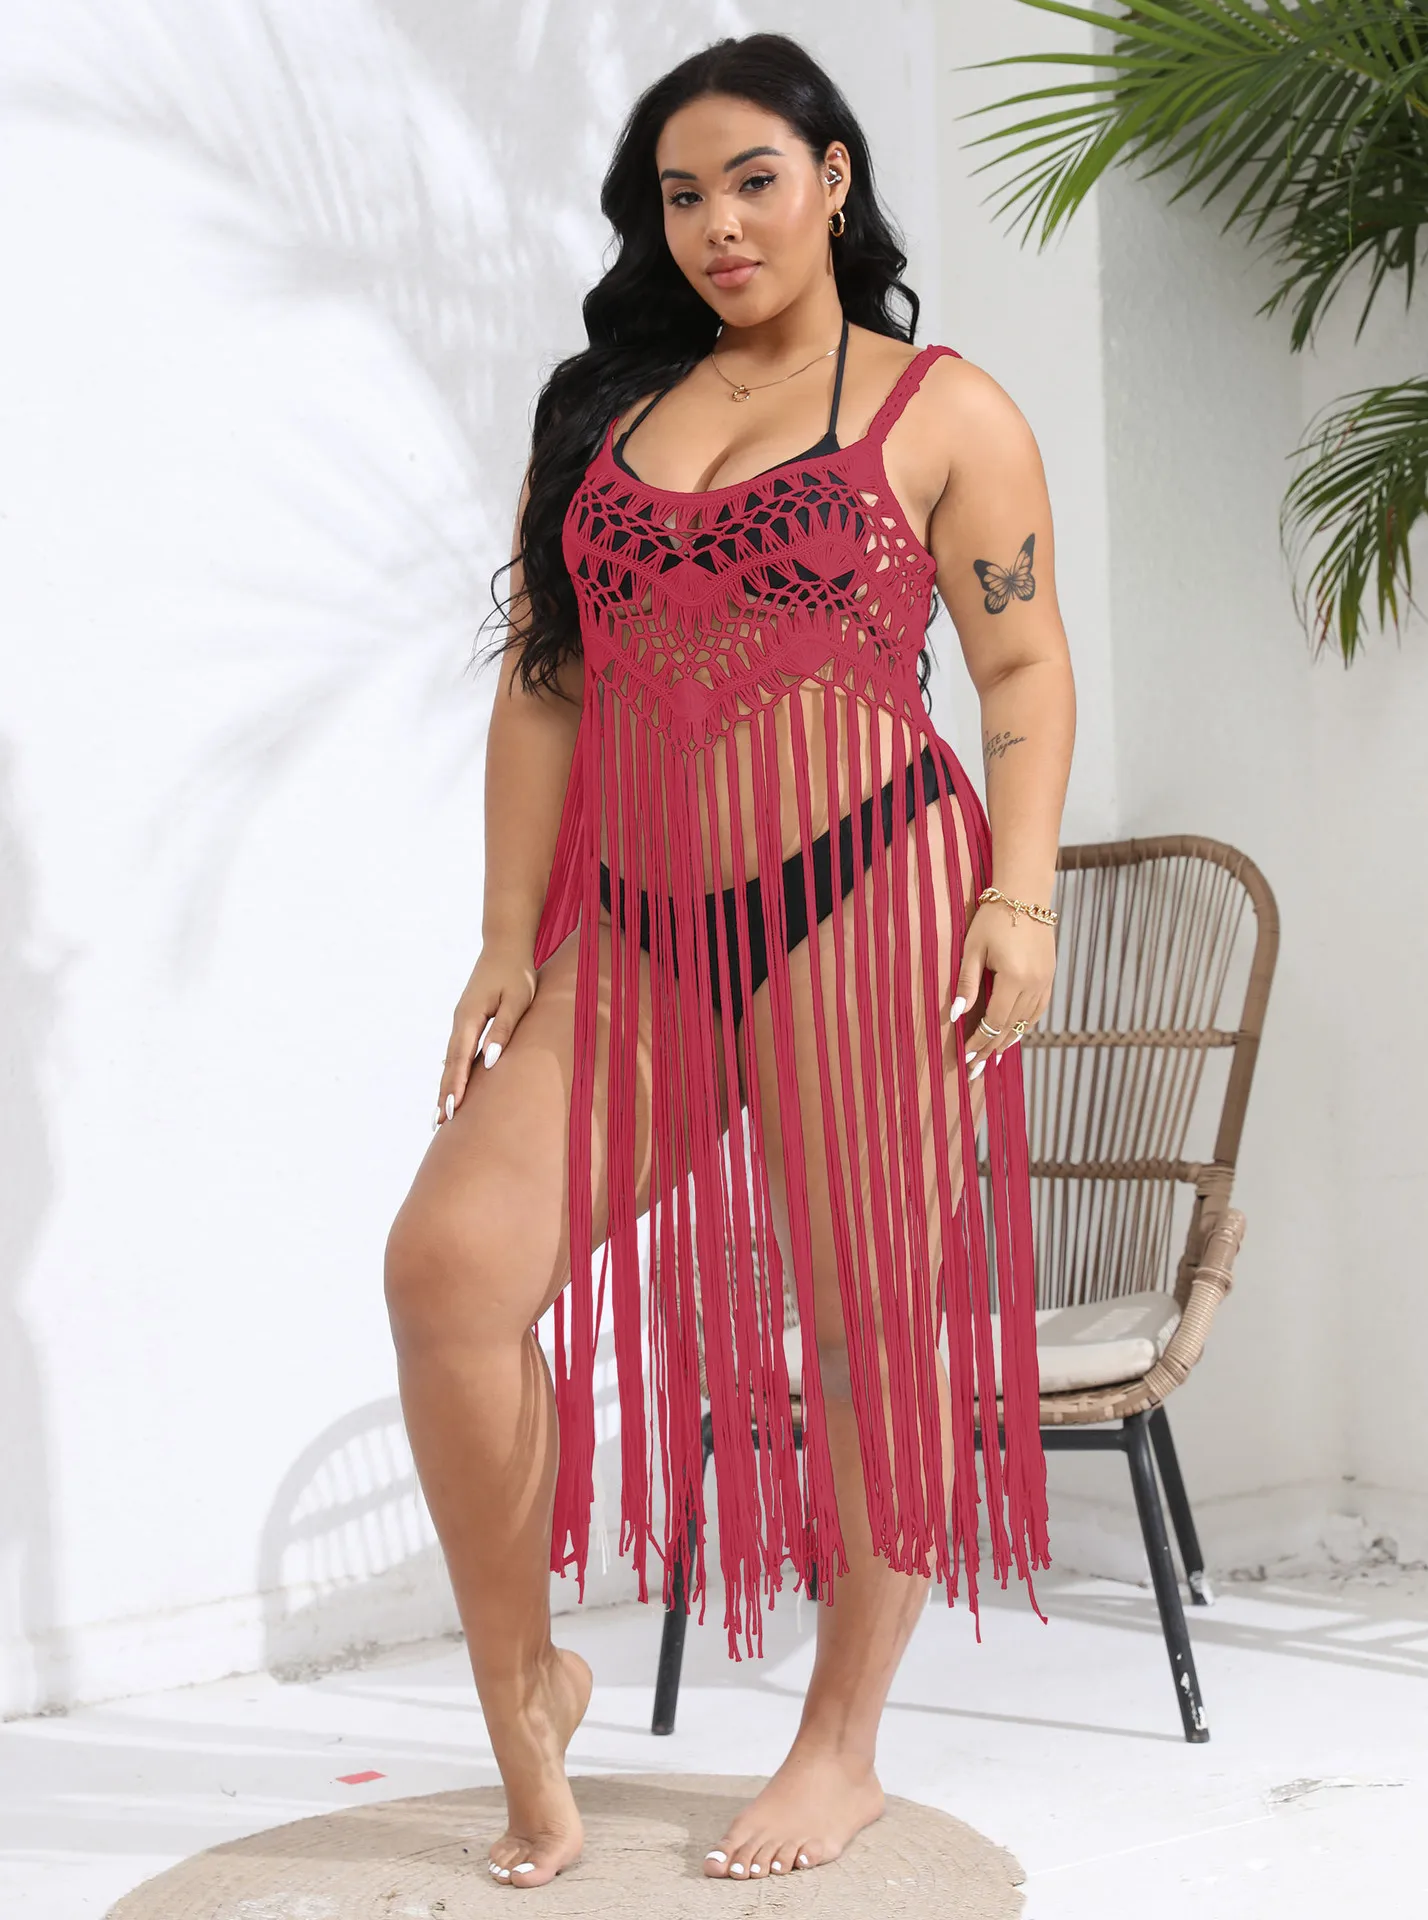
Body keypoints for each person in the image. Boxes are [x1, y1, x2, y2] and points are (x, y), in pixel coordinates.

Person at [384, 29, 1075, 1894]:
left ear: (834, 179)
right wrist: (503, 939)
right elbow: (547, 686)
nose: (719, 226)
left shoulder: (945, 409)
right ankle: (527, 1689)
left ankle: (841, 1745)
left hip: (873, 895)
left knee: (864, 1328)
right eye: (682, 196)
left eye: (754, 181)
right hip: (639, 931)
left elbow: (1022, 666)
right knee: (448, 1269)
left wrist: (1019, 897)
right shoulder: (604, 417)